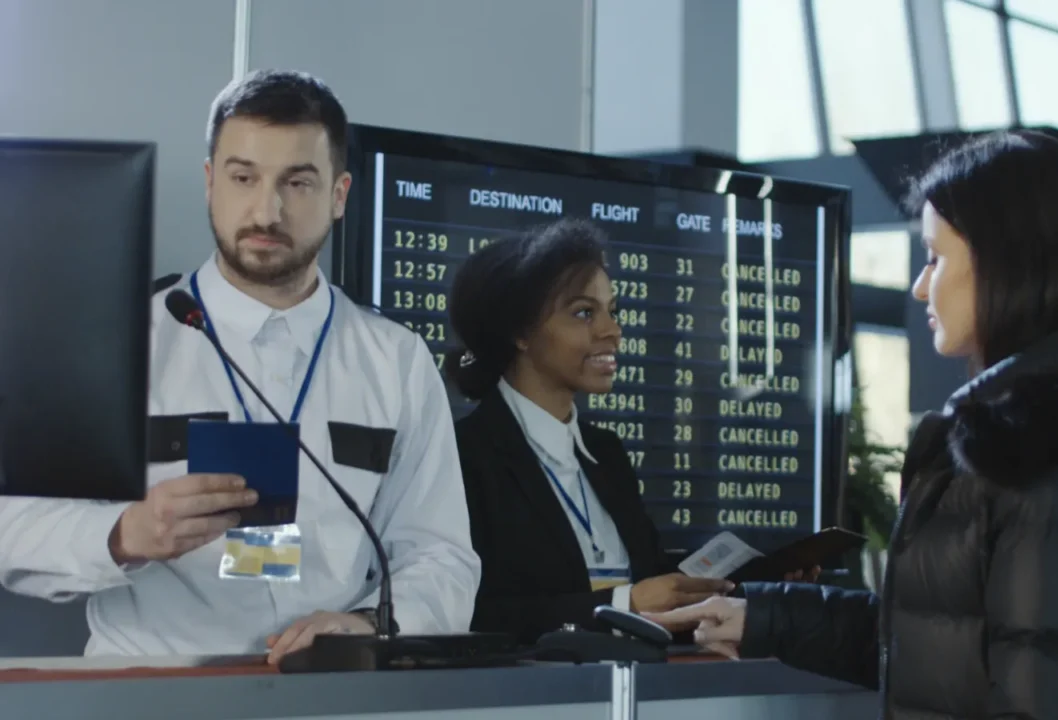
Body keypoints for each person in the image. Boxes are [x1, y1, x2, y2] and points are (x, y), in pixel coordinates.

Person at [647, 131, 1058, 720]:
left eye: (936, 258)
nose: (920, 285)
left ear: (1008, 262)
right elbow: (943, 645)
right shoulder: (1055, 429)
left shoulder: (1054, 456)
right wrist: (765, 617)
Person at [0, 70, 480, 661]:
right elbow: (11, 523)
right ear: (210, 182)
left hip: (331, 688)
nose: (266, 210)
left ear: (339, 195)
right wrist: (124, 534)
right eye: (243, 177)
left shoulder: (396, 360)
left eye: (297, 182)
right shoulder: (116, 341)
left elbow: (441, 554)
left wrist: (370, 624)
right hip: (150, 687)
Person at [445, 218, 733, 644]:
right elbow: (470, 613)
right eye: (584, 313)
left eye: (612, 312)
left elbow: (652, 583)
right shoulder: (464, 455)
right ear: (520, 332)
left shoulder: (606, 452)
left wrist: (752, 586)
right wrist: (622, 606)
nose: (612, 331)